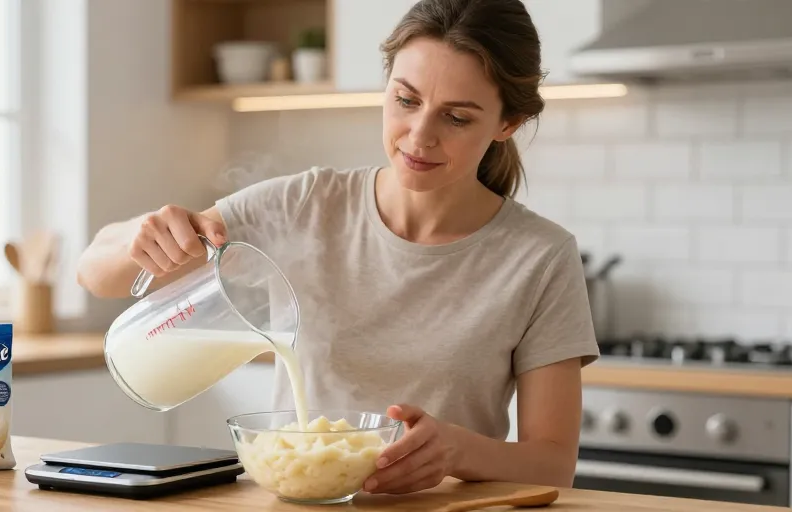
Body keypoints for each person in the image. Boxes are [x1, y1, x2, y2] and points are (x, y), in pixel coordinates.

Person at [77, 0, 599, 496]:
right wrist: (144, 236)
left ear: (507, 123)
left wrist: (457, 451)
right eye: (406, 100)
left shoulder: (541, 257)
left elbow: (553, 464)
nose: (419, 136)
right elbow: (95, 273)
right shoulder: (308, 204)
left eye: (456, 117)